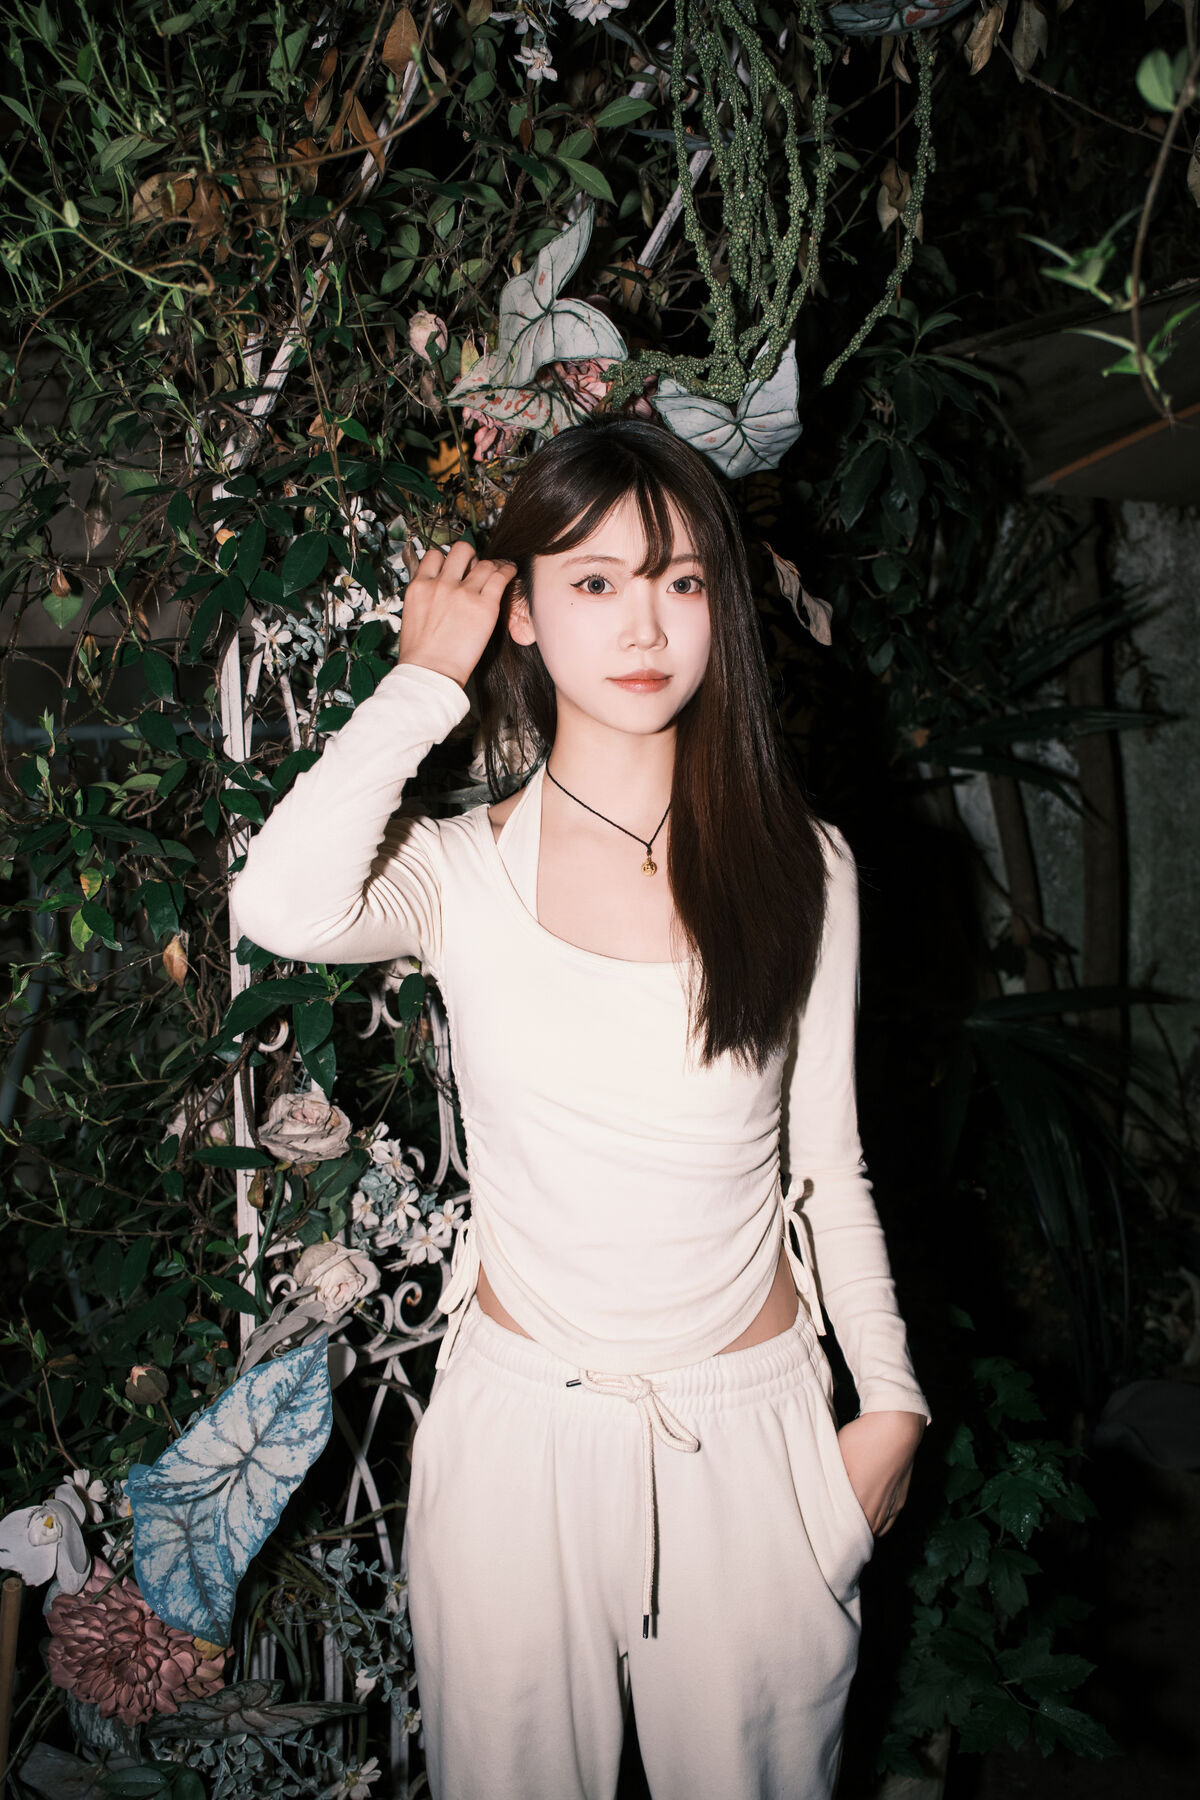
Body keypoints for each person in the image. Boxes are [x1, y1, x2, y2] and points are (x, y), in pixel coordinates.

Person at [230, 417, 930, 1800]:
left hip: (750, 1445)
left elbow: (829, 1166)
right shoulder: (459, 874)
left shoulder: (806, 869)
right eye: (595, 581)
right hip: (520, 1446)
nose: (645, 625)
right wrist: (423, 680)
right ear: (526, 612)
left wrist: (891, 1404)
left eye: (681, 580)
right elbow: (281, 905)